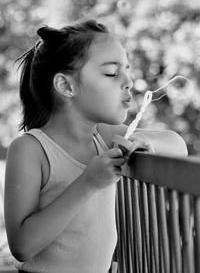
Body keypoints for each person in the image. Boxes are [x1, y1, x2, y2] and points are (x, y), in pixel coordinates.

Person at [4, 19, 187, 273]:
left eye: (127, 70)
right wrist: (88, 182)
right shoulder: (31, 149)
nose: (129, 82)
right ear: (66, 86)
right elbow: (22, 245)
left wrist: (145, 142)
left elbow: (178, 145)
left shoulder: (102, 135)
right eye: (112, 73)